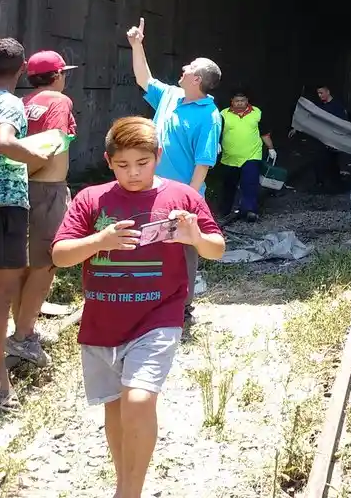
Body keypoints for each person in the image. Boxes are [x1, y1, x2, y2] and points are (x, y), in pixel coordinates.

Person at [52, 116, 225, 498]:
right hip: (102, 320)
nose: (133, 173)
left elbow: (216, 249)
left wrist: (194, 236)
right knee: (114, 409)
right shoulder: (91, 199)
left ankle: (130, 491)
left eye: (142, 163)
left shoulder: (182, 196)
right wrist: (100, 240)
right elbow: (61, 256)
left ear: (158, 156)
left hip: (158, 316)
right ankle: (124, 481)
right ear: (108, 161)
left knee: (139, 398)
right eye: (123, 165)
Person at [125, 17, 222, 321]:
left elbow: (204, 163)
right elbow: (144, 79)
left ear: (198, 80)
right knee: (148, 246)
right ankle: (148, 300)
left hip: (181, 194)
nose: (184, 67)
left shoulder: (210, 115)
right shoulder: (170, 95)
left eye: (190, 66)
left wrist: (187, 201)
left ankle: (183, 307)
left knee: (182, 250)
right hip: (150, 188)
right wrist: (137, 45)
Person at [7, 50, 78, 368]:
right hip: (46, 191)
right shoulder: (58, 101)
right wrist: (35, 174)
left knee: (24, 264)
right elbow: (51, 145)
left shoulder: (23, 103)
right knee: (46, 264)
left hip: (22, 190)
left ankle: (23, 330)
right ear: (59, 74)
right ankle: (23, 338)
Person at [0, 39, 53, 410]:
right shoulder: (9, 102)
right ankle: (2, 389)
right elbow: (3, 141)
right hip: (4, 205)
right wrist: (35, 152)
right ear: (21, 70)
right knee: (2, 297)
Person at [218, 89, 276, 223]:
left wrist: (271, 148)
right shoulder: (223, 114)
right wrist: (216, 143)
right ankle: (225, 210)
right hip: (229, 157)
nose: (239, 103)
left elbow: (264, 133)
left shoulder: (257, 113)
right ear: (231, 102)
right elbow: (216, 132)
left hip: (252, 154)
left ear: (247, 101)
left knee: (250, 183)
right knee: (228, 185)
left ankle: (250, 210)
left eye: (242, 100)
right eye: (237, 101)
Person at [290, 86, 348, 192]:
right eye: (318, 93)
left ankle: (334, 185)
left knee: (332, 162)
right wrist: (297, 128)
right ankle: (320, 183)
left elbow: (343, 124)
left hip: (333, 140)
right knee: (319, 161)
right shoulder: (320, 107)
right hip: (320, 139)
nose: (319, 96)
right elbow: (309, 118)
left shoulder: (337, 107)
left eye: (321, 93)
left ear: (328, 91)